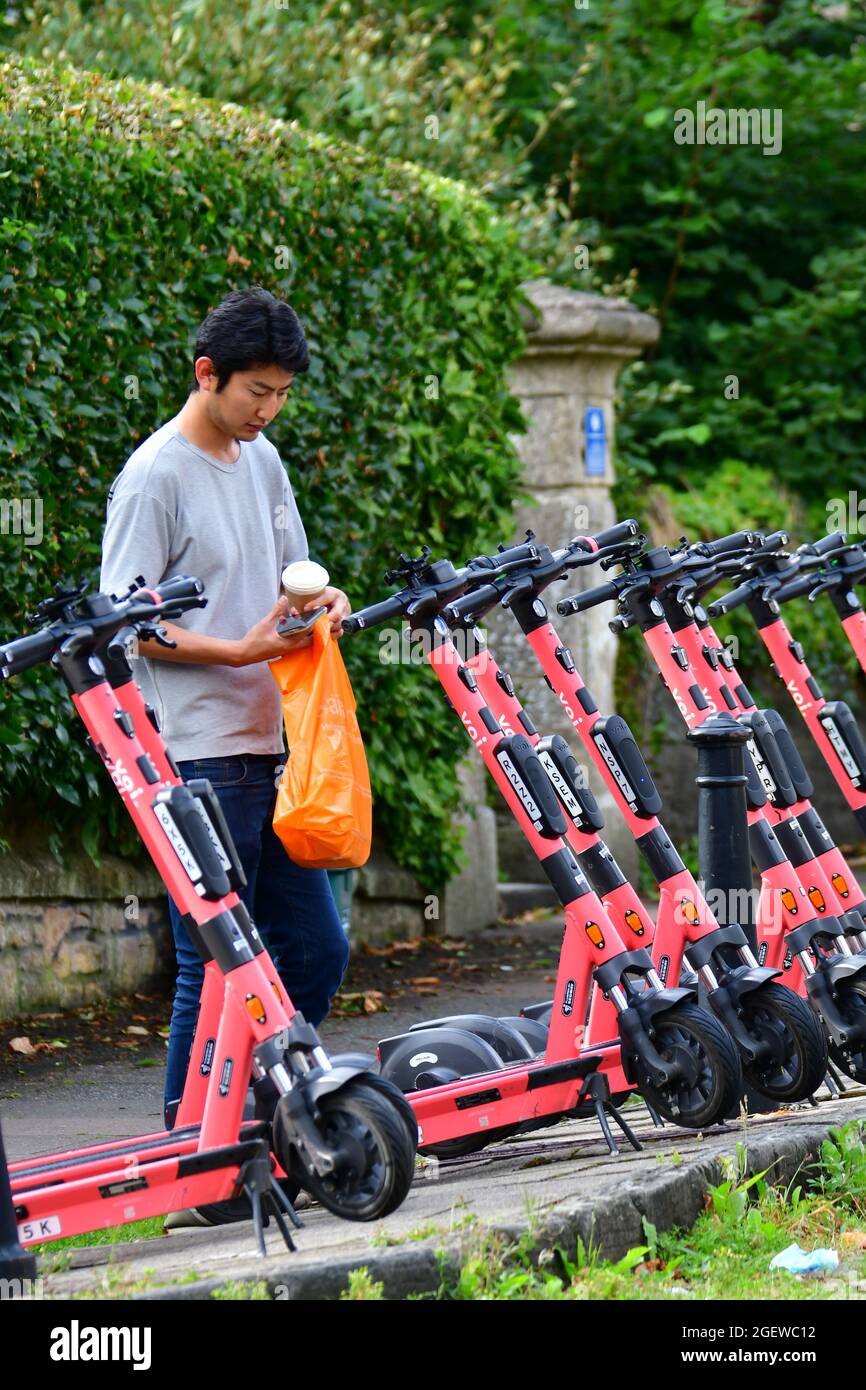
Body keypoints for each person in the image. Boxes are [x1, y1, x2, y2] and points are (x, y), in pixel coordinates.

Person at [99, 288, 351, 1202]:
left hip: (271, 745)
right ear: (207, 374)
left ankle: (265, 1114)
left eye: (282, 393)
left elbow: (294, 576)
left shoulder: (263, 459)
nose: (269, 409)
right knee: (211, 964)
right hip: (196, 756)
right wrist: (241, 647)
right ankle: (194, 1167)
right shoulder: (156, 478)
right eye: (257, 391)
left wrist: (322, 605)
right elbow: (125, 629)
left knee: (317, 948)